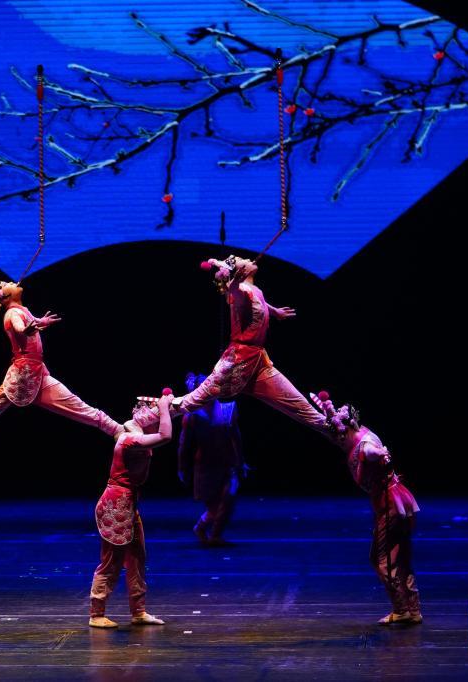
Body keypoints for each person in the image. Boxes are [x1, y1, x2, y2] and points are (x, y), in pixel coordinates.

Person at [130, 257, 326, 435]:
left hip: (258, 361)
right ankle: (143, 419)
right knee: (192, 401)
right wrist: (234, 283)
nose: (249, 259)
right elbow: (234, 292)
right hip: (236, 363)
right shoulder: (239, 292)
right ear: (237, 271)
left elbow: (260, 302)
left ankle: (334, 430)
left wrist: (275, 312)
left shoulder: (254, 290)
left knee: (297, 404)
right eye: (242, 260)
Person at [0, 280, 124, 440]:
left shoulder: (19, 309)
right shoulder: (12, 313)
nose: (12, 282)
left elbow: (29, 322)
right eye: (7, 284)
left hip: (35, 371)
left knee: (75, 405)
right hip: (23, 375)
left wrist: (40, 322)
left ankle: (116, 429)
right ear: (5, 297)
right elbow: (19, 326)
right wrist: (25, 330)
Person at [310, 391, 422, 625]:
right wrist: (326, 409)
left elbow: (371, 452)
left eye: (339, 434)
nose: (338, 438)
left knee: (381, 558)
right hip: (397, 499)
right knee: (400, 555)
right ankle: (412, 609)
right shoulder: (362, 434)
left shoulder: (364, 446)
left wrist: (380, 453)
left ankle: (402, 609)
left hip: (389, 504)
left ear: (347, 429)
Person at [89, 391, 175, 628]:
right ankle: (96, 614)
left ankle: (139, 611)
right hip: (115, 506)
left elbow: (160, 431)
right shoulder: (128, 439)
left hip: (128, 504)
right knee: (112, 560)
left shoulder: (136, 435)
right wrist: (164, 406)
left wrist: (166, 407)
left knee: (137, 557)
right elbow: (166, 436)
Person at [178, 372, 245, 546]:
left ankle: (213, 533)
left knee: (229, 497)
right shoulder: (192, 415)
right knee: (214, 506)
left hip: (228, 462)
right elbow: (184, 444)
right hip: (206, 465)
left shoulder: (228, 408)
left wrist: (240, 461)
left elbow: (236, 436)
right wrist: (182, 467)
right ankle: (205, 530)